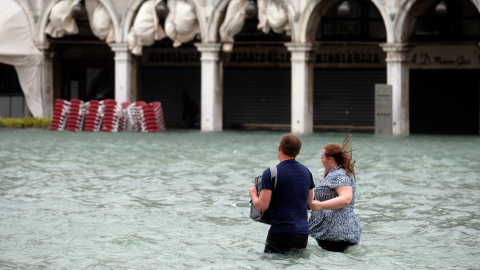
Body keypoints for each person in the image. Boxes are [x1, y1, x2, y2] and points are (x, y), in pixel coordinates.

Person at [249, 134, 315, 254]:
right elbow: (310, 204)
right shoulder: (307, 172)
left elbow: (262, 206)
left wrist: (253, 194)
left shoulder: (271, 172)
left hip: (280, 232)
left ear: (279, 147)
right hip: (302, 233)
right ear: (298, 152)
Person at [308, 134, 362, 252]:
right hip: (333, 233)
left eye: (322, 157)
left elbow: (346, 199)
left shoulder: (339, 175)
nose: (321, 160)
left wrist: (320, 205)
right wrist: (327, 168)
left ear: (330, 158)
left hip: (337, 234)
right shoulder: (336, 172)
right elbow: (327, 187)